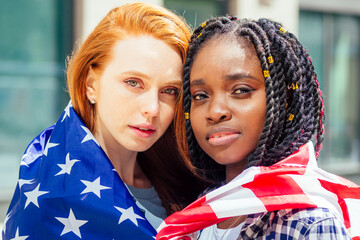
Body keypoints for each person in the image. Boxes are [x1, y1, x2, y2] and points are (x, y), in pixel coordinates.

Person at [2, 3, 207, 240]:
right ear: (91, 85)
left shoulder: (186, 175)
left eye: (169, 91)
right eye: (133, 83)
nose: (152, 108)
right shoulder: (53, 194)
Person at [157, 17, 360, 239]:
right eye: (200, 96)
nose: (215, 111)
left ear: (284, 99)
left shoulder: (309, 222)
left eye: (241, 90)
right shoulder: (200, 207)